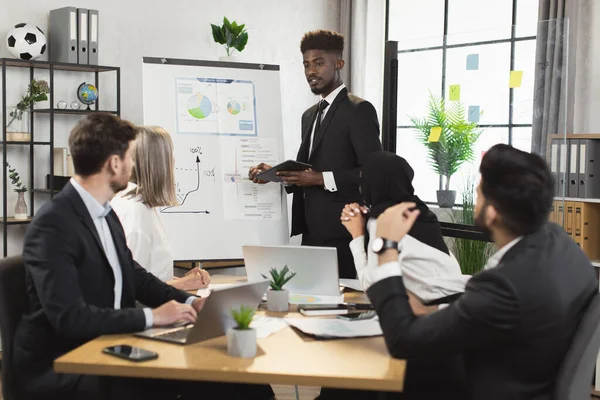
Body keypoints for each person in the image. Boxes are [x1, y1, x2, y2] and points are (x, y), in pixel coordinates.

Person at [13, 113, 274, 400]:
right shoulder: (54, 224)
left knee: (235, 373)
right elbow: (70, 318)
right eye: (130, 158)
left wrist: (191, 302)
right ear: (114, 163)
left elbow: (138, 278)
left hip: (112, 345)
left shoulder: (105, 213)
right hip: (66, 363)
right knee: (208, 378)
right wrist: (152, 316)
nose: (133, 165)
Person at [367, 144, 598, 400]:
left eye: (478, 194)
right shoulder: (560, 244)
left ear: (492, 214)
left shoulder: (506, 284)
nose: (475, 200)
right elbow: (500, 310)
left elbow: (403, 341)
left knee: (378, 379)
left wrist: (386, 245)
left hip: (493, 387)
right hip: (527, 371)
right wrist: (436, 311)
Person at [248, 30, 382, 279]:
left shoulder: (359, 110)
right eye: (307, 65)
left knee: (344, 308)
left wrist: (321, 179)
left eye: (319, 63)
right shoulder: (309, 115)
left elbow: (374, 173)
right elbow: (308, 170)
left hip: (345, 232)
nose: (311, 71)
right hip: (310, 231)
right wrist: (276, 173)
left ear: (338, 64)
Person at [341, 151, 469, 303]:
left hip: (434, 311)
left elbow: (373, 287)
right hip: (461, 299)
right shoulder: (419, 212)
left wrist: (357, 234)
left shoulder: (383, 221)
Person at [111, 125, 210, 290]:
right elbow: (129, 288)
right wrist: (182, 285)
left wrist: (183, 280)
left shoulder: (138, 204)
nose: (174, 161)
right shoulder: (134, 213)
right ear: (159, 163)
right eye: (170, 156)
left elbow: (146, 275)